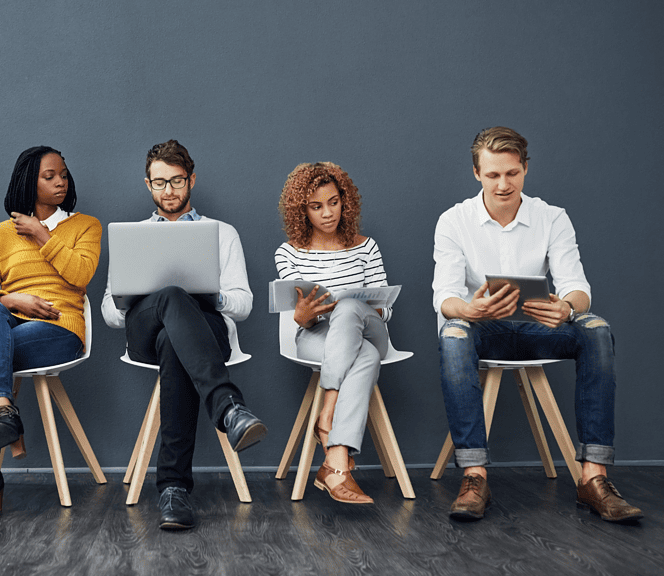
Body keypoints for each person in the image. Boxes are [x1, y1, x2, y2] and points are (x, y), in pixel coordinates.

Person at [433, 126, 642, 523]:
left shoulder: (552, 218)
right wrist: (469, 309)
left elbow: (578, 287)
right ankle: (475, 476)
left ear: (525, 169)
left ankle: (594, 478)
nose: (503, 184)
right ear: (477, 174)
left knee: (595, 327)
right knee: (454, 331)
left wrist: (565, 307)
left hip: (539, 329)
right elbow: (445, 297)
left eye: (512, 173)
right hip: (484, 332)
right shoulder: (454, 221)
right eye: (493, 175)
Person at [101, 139, 267, 531]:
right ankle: (228, 408)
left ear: (191, 179)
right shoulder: (133, 234)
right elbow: (109, 312)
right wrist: (126, 298)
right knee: (172, 297)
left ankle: (173, 490)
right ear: (148, 185)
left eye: (176, 181)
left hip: (205, 332)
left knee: (175, 344)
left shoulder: (221, 233)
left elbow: (243, 305)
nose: (168, 191)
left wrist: (213, 295)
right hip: (144, 330)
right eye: (159, 183)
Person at [0, 146, 101, 519]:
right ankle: (4, 407)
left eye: (63, 174)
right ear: (29, 182)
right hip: (11, 322)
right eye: (50, 176)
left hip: (60, 329)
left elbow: (81, 276)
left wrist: (42, 235)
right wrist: (15, 300)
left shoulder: (85, 226)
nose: (60, 181)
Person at [275, 162, 391, 505]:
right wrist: (304, 316)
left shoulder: (367, 247)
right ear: (302, 210)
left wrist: (366, 305)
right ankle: (337, 463)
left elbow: (386, 307)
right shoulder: (289, 253)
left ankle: (326, 415)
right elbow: (301, 318)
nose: (328, 213)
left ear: (345, 201)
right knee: (365, 357)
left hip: (369, 329)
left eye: (334, 202)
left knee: (350, 308)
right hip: (317, 337)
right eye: (316, 206)